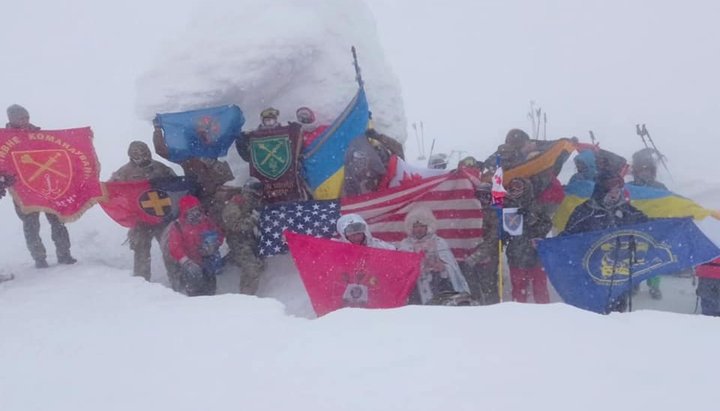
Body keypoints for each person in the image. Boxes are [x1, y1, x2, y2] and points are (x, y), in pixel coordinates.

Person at [563, 172, 648, 313]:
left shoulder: (627, 210)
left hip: (619, 271)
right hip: (592, 270)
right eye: (612, 191)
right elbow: (567, 237)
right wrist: (546, 245)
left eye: (618, 190)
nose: (615, 194)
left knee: (618, 313)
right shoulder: (585, 211)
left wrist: (675, 223)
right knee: (592, 311)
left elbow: (650, 226)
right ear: (602, 191)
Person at [6, 104, 76, 268]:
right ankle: (39, 258)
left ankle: (64, 254)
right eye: (21, 118)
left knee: (57, 220)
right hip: (21, 189)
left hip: (45, 185)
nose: (25, 121)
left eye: (27, 117)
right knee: (31, 224)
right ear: (11, 119)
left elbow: (59, 150)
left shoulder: (39, 135)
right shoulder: (4, 140)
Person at [109, 141, 177, 280]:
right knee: (141, 251)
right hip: (140, 219)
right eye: (137, 154)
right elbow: (113, 191)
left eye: (144, 153)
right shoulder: (124, 172)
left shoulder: (161, 168)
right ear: (130, 155)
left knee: (170, 248)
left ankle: (177, 280)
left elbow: (176, 186)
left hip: (162, 217)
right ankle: (142, 283)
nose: (141, 156)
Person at [398, 208, 471, 305]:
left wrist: (443, 267)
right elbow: (401, 269)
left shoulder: (439, 242)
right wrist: (416, 268)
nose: (419, 229)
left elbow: (452, 267)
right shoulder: (405, 245)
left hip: (438, 285)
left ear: (428, 227)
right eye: (416, 226)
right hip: (415, 289)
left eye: (422, 226)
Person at [163, 195, 224, 296]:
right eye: (191, 210)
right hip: (187, 263)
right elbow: (174, 247)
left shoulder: (206, 221)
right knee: (194, 286)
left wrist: (214, 244)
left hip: (205, 260)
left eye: (197, 209)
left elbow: (218, 234)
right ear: (184, 211)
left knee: (210, 288)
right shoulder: (177, 226)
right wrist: (186, 261)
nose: (195, 212)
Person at [504, 178, 552, 304]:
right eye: (511, 188)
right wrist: (502, 233)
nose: (514, 191)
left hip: (535, 254)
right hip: (516, 254)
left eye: (518, 187)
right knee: (518, 288)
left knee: (540, 287)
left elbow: (547, 225)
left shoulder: (536, 205)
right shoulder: (506, 206)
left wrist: (530, 218)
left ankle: (545, 313)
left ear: (526, 188)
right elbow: (504, 230)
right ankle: (518, 314)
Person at [627, 148, 666, 299]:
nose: (645, 173)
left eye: (648, 169)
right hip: (635, 228)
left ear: (653, 171)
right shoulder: (629, 187)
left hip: (655, 228)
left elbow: (669, 204)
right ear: (636, 171)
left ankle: (654, 285)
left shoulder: (660, 187)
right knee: (633, 257)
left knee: (654, 259)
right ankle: (634, 282)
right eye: (641, 169)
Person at [221, 177, 266, 295]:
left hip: (252, 240)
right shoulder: (235, 204)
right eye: (255, 192)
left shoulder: (256, 203)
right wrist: (253, 219)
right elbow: (235, 226)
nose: (258, 195)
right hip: (238, 241)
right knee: (252, 268)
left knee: (261, 265)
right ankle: (246, 298)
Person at [463, 182, 500, 304]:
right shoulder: (470, 211)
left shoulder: (494, 212)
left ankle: (494, 313)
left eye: (486, 195)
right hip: (469, 256)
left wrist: (478, 255)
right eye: (480, 195)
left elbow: (493, 239)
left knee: (489, 287)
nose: (482, 199)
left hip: (488, 257)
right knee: (472, 289)